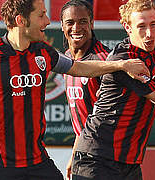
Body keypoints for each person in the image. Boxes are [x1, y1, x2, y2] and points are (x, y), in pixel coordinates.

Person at [0, 0, 151, 179]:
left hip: (37, 160)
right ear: (21, 20)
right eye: (41, 15)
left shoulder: (43, 51)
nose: (48, 21)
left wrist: (120, 65)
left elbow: (78, 67)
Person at [71, 0, 155, 179]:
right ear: (127, 27)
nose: (149, 34)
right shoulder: (126, 59)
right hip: (98, 159)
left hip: (129, 162)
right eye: (141, 26)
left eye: (153, 24)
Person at [59, 0, 111, 179]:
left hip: (106, 157)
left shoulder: (105, 61)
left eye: (82, 21)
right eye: (70, 22)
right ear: (62, 26)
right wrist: (74, 154)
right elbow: (84, 122)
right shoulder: (66, 61)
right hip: (84, 151)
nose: (76, 28)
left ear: (92, 23)